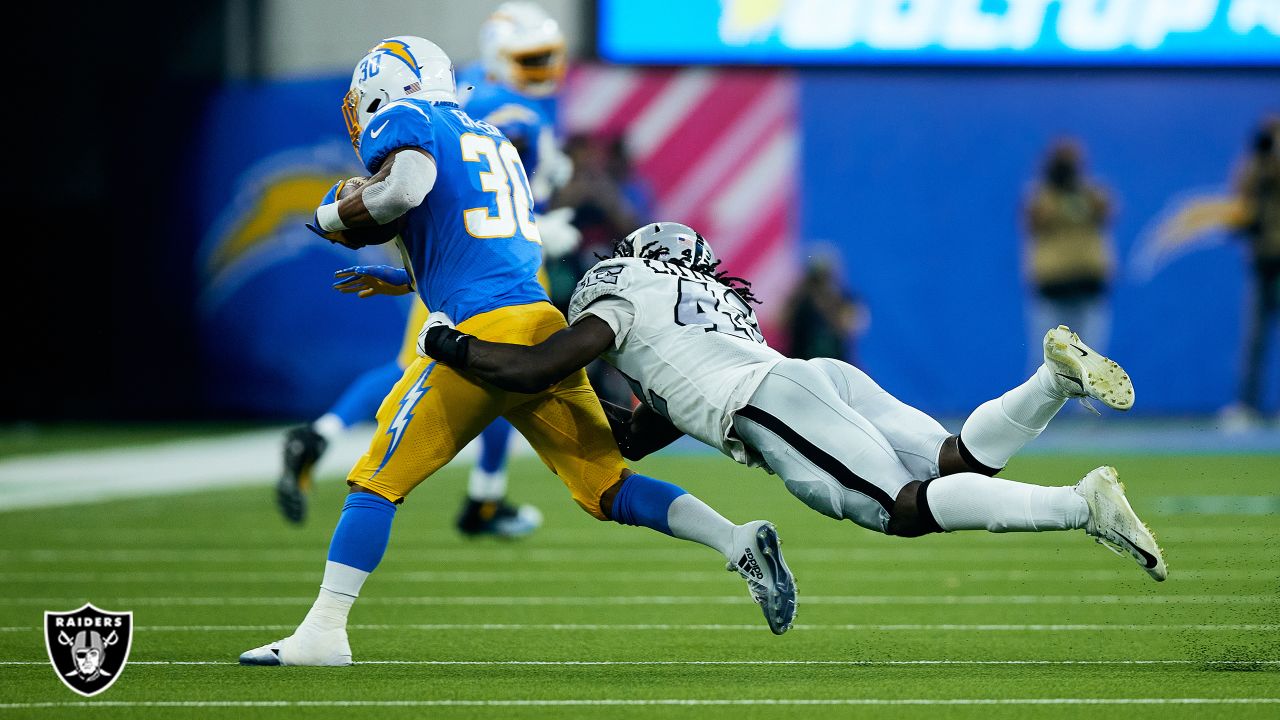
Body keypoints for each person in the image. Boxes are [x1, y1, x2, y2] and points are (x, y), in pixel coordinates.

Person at [240, 38, 795, 667]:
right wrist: (403, 276)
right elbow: (484, 241)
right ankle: (735, 539)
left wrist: (331, 215)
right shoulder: (492, 140)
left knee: (375, 481)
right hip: (537, 322)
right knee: (608, 487)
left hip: (484, 334)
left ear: (384, 85)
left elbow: (403, 193)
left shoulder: (409, 118)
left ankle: (322, 635)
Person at [418, 222, 1166, 585]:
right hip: (812, 379)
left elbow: (541, 362)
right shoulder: (707, 297)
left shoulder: (624, 287)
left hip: (768, 401)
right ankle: (1053, 383)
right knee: (956, 460)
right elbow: (641, 436)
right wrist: (571, 414)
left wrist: (449, 345)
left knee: (902, 507)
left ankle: (1080, 506)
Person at [275, 2, 578, 536]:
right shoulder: (498, 109)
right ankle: (473, 495)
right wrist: (539, 223)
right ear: (497, 57)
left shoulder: (497, 102)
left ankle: (328, 439)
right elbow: (433, 182)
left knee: (469, 369)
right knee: (484, 367)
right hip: (479, 255)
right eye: (529, 58)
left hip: (474, 252)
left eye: (545, 58)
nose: (542, 69)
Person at [1024, 140, 1115, 365]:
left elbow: (1108, 211)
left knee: (1092, 363)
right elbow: (1034, 220)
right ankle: (1041, 402)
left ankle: (1088, 402)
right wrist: (1056, 192)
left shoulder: (1091, 194)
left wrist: (1082, 193)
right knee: (1047, 363)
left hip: (1088, 287)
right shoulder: (1041, 197)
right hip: (1054, 291)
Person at [1221, 117, 1279, 427]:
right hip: (1263, 263)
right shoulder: (1255, 166)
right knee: (1254, 339)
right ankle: (1248, 404)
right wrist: (1259, 159)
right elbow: (1242, 196)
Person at [782, 248, 868, 363]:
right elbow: (782, 323)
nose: (821, 284)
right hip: (802, 361)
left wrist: (833, 312)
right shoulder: (800, 303)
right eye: (817, 279)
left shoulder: (843, 301)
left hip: (837, 363)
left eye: (825, 277)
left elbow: (854, 325)